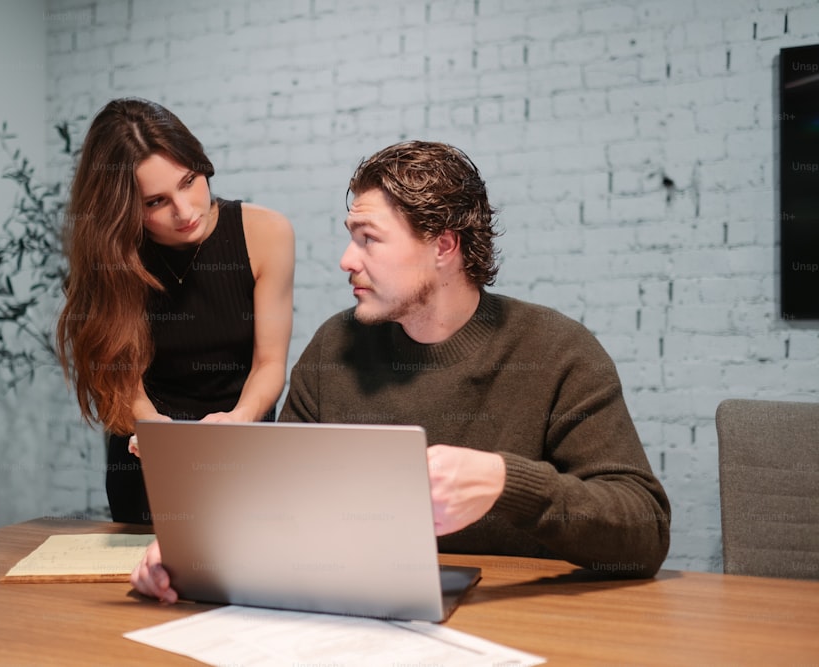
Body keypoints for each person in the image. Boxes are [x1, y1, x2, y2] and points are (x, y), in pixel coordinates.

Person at [131, 140, 670, 600]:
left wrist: (509, 483)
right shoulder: (334, 348)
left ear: (443, 246)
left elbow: (644, 530)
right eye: (351, 235)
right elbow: (285, 512)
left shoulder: (556, 350)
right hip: (363, 616)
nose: (346, 258)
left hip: (520, 624)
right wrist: (198, 547)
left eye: (369, 238)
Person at [57, 98, 295, 525]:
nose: (185, 212)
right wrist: (153, 429)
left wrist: (238, 420)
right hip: (145, 456)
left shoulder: (266, 233)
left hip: (242, 451)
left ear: (201, 163)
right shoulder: (112, 256)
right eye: (155, 202)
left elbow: (270, 364)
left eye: (189, 181)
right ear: (123, 209)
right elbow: (118, 376)